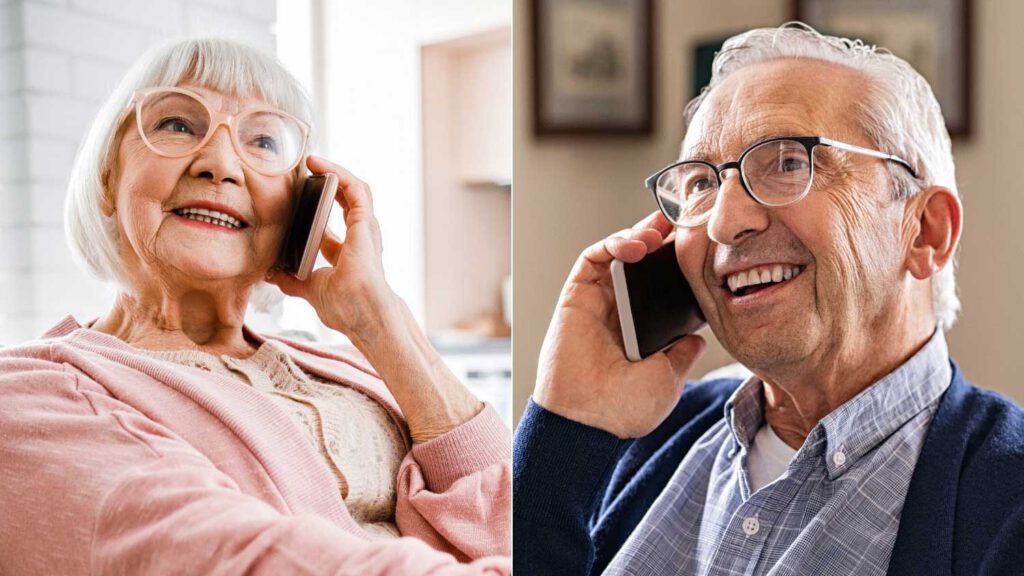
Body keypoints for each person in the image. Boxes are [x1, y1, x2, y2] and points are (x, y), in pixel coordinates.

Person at [514, 23, 1024, 576]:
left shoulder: (1009, 502)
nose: (724, 223)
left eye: (787, 163)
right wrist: (567, 429)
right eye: (701, 184)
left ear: (925, 232)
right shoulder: (638, 437)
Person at [0, 37, 510, 575]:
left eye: (263, 140)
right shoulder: (33, 394)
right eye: (178, 125)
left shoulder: (345, 364)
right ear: (107, 177)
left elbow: (531, 524)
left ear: (300, 206)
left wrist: (379, 320)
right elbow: (234, 559)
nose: (221, 165)